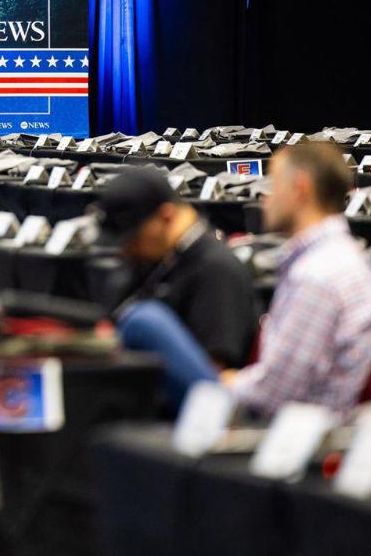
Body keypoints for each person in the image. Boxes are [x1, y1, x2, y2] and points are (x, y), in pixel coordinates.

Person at [115, 143, 371, 414]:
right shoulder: (344, 259)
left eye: (274, 185)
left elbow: (274, 396)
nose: (265, 198)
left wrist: (228, 381)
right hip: (294, 417)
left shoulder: (317, 277)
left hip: (274, 431)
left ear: (300, 189)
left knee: (144, 321)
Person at [96, 168, 257, 396]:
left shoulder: (216, 270)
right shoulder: (153, 261)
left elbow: (211, 374)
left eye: (133, 237)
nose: (126, 249)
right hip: (135, 396)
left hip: (188, 412)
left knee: (145, 321)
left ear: (167, 216)